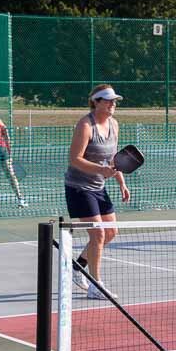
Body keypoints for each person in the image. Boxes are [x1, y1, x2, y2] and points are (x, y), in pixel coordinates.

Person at [65, 84, 130, 300]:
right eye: (108, 100)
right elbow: (75, 159)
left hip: (99, 187)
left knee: (111, 232)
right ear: (96, 101)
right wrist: (101, 170)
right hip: (79, 187)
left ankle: (77, 266)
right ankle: (95, 285)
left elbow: (113, 159)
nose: (113, 104)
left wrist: (121, 181)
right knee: (98, 234)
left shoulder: (114, 124)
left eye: (114, 101)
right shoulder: (85, 125)